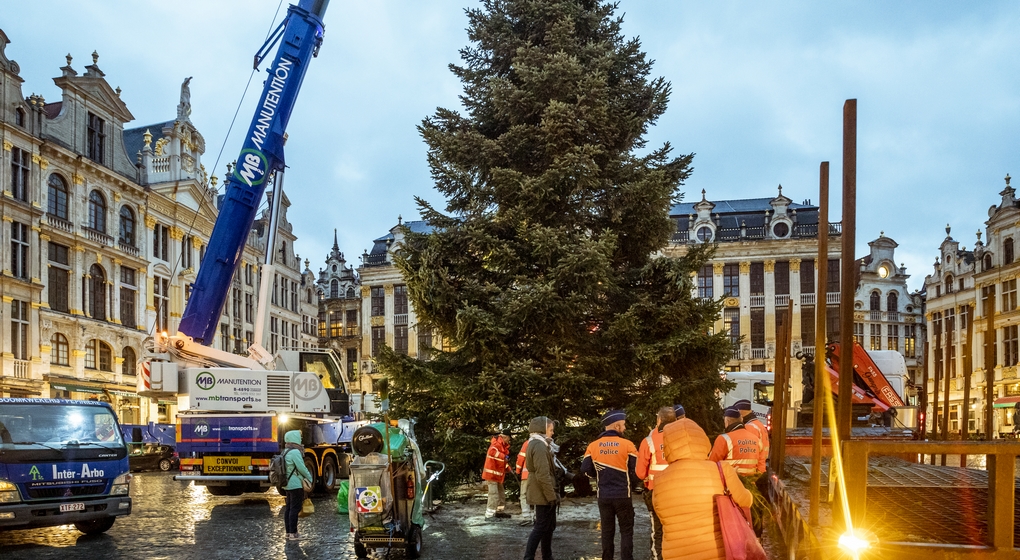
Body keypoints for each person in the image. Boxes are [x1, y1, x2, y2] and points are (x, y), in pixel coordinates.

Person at [654, 418, 753, 559]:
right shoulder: (722, 470)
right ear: (702, 440)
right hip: (717, 553)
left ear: (668, 446)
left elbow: (661, 515)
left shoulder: (659, 480)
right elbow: (745, 501)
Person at [581, 410, 639, 560]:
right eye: (624, 425)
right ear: (617, 426)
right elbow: (637, 470)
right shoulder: (628, 445)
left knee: (607, 531)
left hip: (604, 496)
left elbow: (586, 469)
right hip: (623, 495)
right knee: (626, 531)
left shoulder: (593, 446)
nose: (625, 428)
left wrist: (599, 475)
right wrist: (631, 484)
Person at [635, 406, 677, 560]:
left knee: (657, 529)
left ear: (659, 420)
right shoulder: (682, 438)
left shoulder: (649, 441)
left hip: (656, 492)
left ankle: (657, 557)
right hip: (679, 491)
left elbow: (640, 473)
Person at [524, 416, 558, 560]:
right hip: (541, 493)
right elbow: (543, 474)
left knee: (548, 527)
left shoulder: (540, 443)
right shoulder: (539, 445)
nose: (552, 433)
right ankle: (529, 557)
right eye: (550, 430)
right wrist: (551, 496)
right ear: (542, 429)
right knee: (541, 527)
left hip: (541, 491)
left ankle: (547, 556)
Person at [707, 408, 759, 476]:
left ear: (727, 421)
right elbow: (760, 465)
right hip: (751, 482)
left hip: (730, 481)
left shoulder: (724, 439)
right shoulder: (756, 439)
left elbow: (712, 464)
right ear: (740, 420)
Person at [282, 429, 313, 541]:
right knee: (295, 508)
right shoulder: (295, 452)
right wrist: (309, 478)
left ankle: (288, 532)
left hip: (287, 484)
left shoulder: (285, 451)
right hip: (295, 484)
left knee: (289, 508)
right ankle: (293, 533)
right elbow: (301, 468)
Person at [482, 428, 513, 519]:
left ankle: (499, 511)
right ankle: (489, 515)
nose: (509, 440)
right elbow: (492, 452)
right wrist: (504, 457)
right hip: (492, 475)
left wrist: (509, 468)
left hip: (498, 475)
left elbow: (502, 461)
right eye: (509, 438)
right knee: (493, 494)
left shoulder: (502, 446)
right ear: (505, 437)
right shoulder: (496, 444)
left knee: (501, 494)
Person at [733, 399, 768, 474]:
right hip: (760, 466)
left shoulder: (749, 427)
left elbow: (749, 451)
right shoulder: (759, 424)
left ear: (740, 412)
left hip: (753, 470)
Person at [516, 437, 534, 525]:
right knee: (537, 495)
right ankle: (537, 517)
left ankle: (527, 517)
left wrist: (518, 470)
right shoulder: (544, 442)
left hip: (526, 475)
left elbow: (521, 458)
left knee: (524, 495)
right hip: (538, 475)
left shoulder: (527, 443)